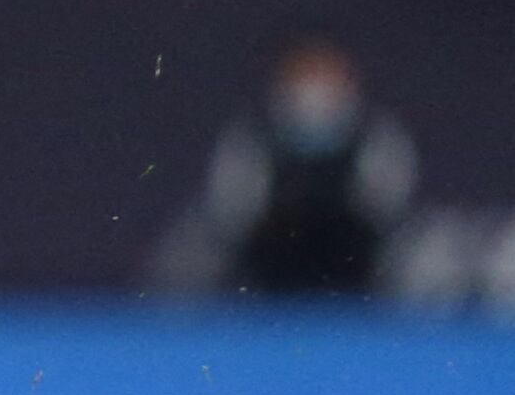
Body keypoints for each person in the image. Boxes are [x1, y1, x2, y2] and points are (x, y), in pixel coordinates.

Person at [157, 39, 418, 296]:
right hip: (269, 267)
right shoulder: (253, 139)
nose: (315, 96)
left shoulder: (375, 138)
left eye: (326, 83)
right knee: (189, 250)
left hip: (357, 267)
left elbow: (387, 214)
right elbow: (231, 216)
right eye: (306, 80)